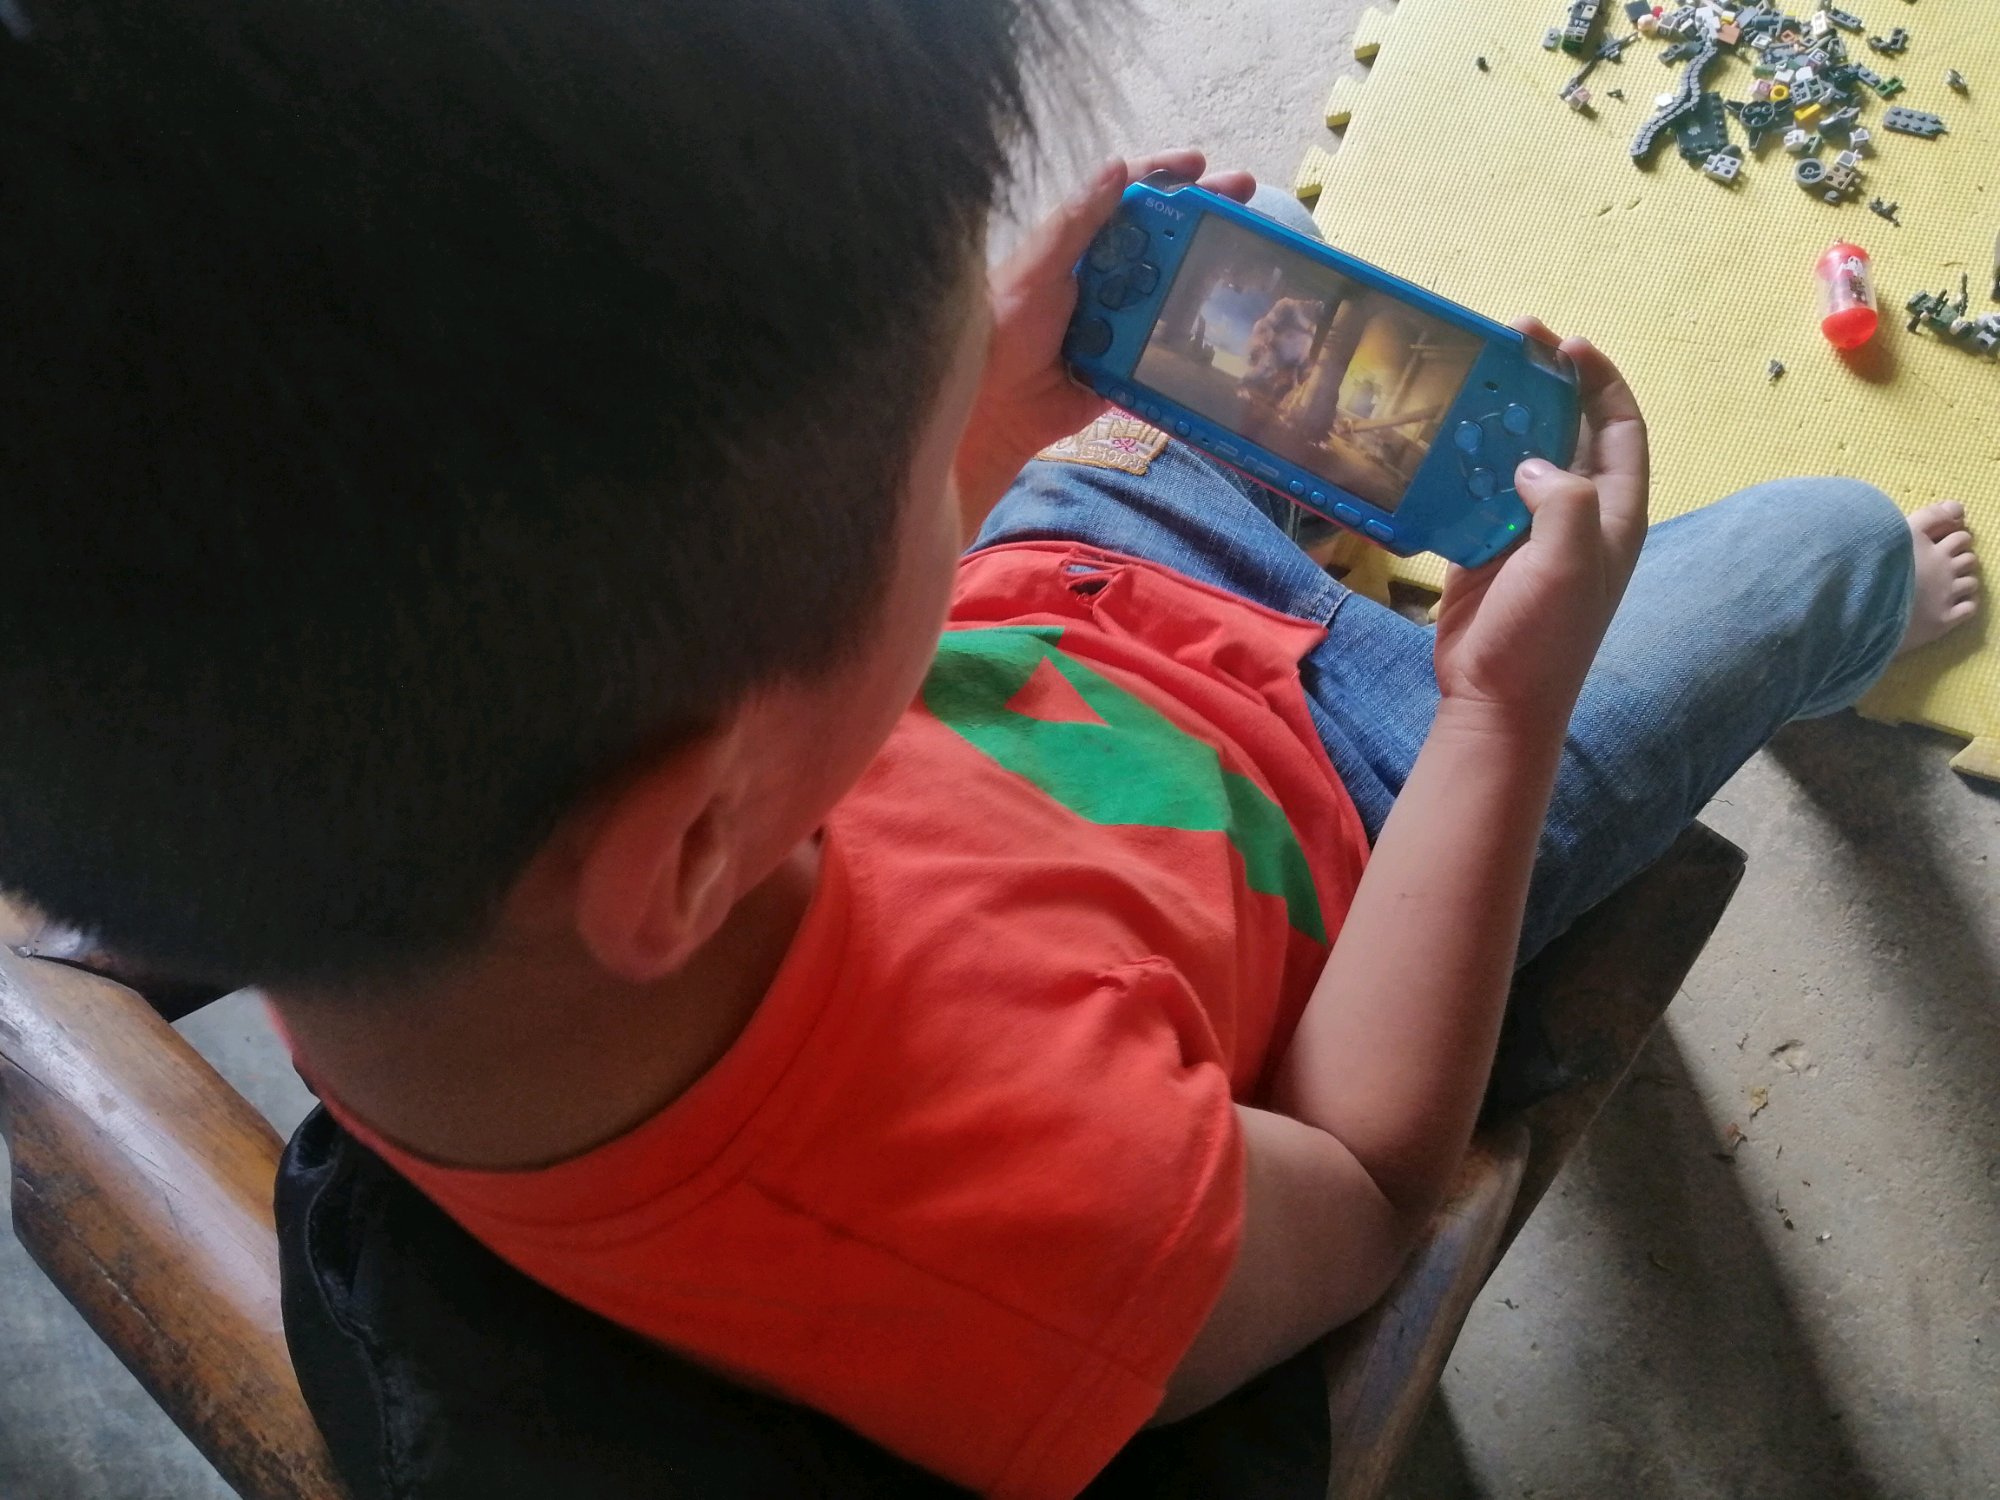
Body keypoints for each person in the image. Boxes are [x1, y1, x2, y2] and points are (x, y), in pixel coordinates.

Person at [0, 4, 1979, 1498]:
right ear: (692, 838)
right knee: (1813, 545)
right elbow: (1373, 1176)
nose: (968, 403)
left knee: (1239, 299)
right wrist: (1497, 712)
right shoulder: (1043, 1234)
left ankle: (1080, 458)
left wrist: (977, 438)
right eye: (915, 453)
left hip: (1060, 601)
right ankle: (1872, 607)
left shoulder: (391, 873)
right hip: (1372, 808)